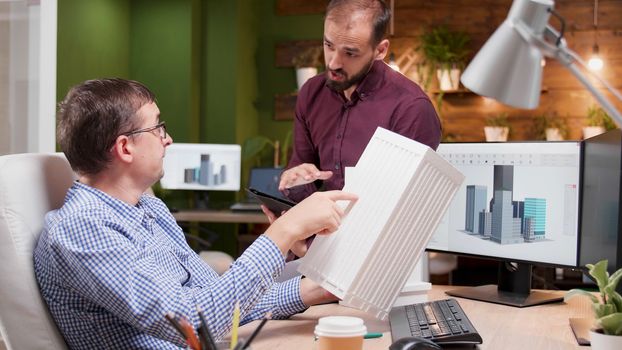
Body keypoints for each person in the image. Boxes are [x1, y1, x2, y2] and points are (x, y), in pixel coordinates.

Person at [33, 78, 357, 349]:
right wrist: (283, 231)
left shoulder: (148, 207)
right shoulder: (81, 229)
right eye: (158, 128)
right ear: (125, 147)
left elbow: (215, 301)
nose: (168, 139)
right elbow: (197, 323)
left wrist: (313, 290)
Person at [279, 0, 442, 203]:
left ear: (380, 51)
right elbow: (302, 174)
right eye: (329, 45)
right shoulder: (312, 92)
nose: (333, 62)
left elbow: (412, 205)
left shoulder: (411, 108)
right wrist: (294, 182)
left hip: (382, 232)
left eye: (350, 53)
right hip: (321, 231)